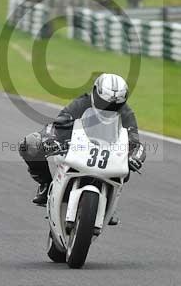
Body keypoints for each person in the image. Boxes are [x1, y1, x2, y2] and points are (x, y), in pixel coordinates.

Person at [19, 73, 146, 207]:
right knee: (31, 144)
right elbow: (57, 123)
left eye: (114, 105)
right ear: (95, 93)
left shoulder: (126, 113)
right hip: (76, 146)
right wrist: (51, 139)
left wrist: (135, 156)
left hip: (109, 153)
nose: (108, 107)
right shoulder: (82, 102)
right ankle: (45, 183)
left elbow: (134, 141)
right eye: (104, 101)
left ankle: (110, 202)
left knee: (126, 170)